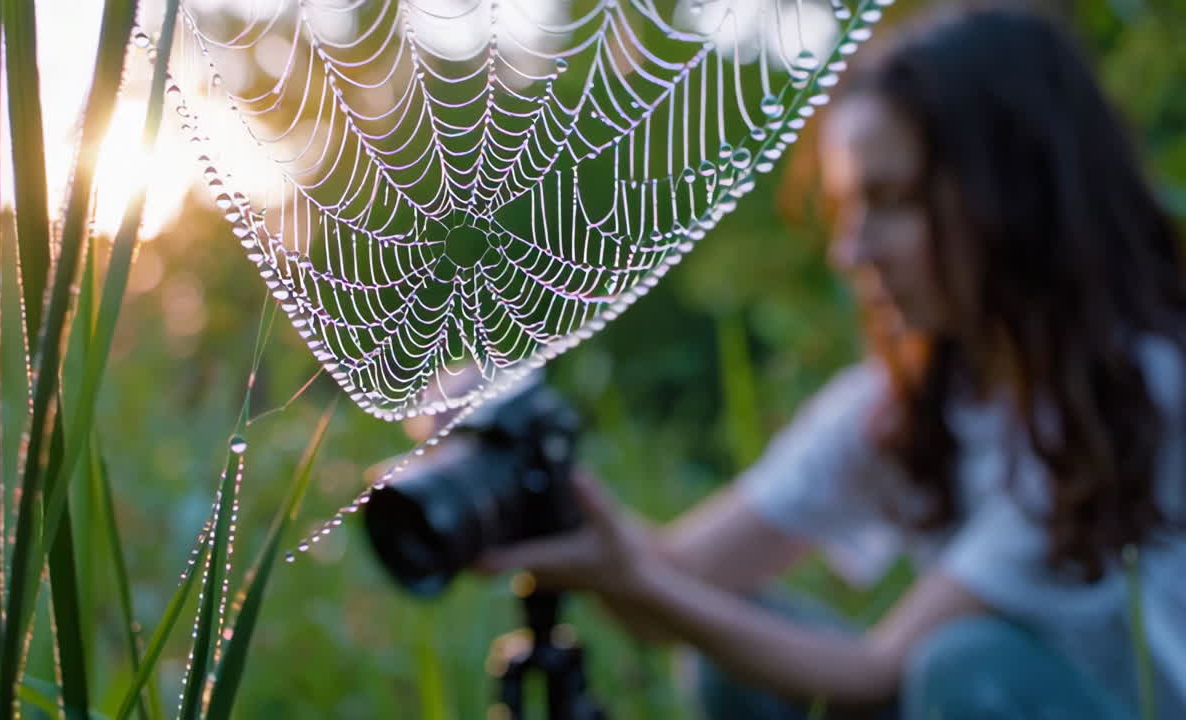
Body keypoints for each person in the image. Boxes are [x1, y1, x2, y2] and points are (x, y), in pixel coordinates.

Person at [476, 5, 1186, 719]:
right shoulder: (906, 403)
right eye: (850, 208)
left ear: (1015, 192)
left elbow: (876, 670)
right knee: (740, 658)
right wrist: (526, 475)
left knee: (967, 666)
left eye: (893, 202)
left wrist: (633, 578)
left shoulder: (1138, 392)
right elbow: (678, 578)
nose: (853, 251)